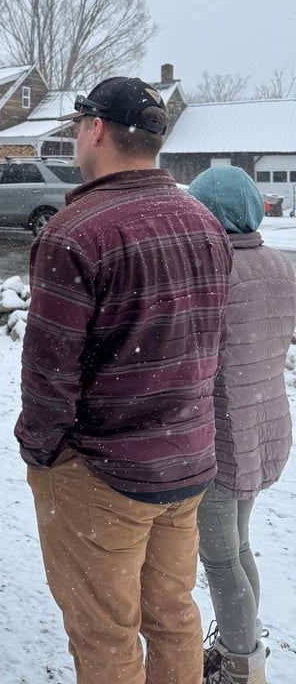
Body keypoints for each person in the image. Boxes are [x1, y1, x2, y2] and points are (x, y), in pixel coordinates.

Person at [14, 76, 234, 684]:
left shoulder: (76, 233)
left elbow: (48, 376)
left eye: (78, 125)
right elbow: (213, 343)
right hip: (185, 464)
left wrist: (43, 453)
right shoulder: (203, 222)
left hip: (102, 472)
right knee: (173, 617)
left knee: (106, 636)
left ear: (96, 129)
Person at [187, 166, 296, 684]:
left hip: (222, 433)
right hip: (263, 422)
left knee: (220, 558)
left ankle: (239, 666)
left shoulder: (215, 272)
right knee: (239, 545)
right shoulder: (278, 264)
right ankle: (244, 647)